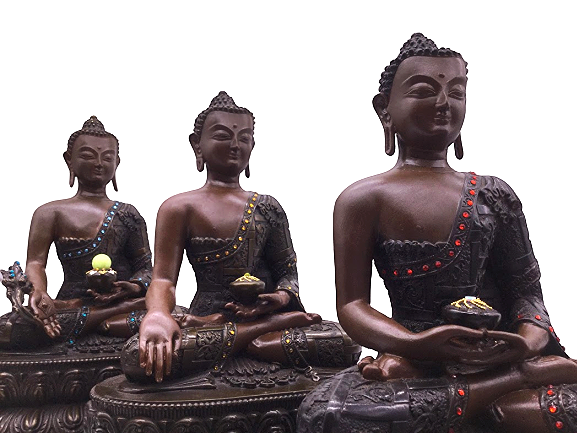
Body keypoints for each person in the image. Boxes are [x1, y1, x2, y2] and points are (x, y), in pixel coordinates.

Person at [297, 33, 577, 433]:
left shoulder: (494, 193)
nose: (444, 103)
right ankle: (514, 383)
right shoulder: (362, 199)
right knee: (329, 414)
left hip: (497, 351)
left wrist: (526, 342)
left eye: (456, 92)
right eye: (425, 91)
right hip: (415, 359)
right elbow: (353, 306)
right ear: (384, 109)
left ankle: (505, 382)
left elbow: (527, 293)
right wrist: (414, 344)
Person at [125, 92, 359, 383]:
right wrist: (158, 314)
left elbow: (288, 274)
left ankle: (250, 335)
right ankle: (254, 339)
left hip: (264, 319)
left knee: (346, 340)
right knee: (136, 357)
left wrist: (278, 298)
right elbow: (162, 279)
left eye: (244, 138)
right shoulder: (179, 207)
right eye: (223, 136)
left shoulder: (268, 207)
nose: (235, 145)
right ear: (197, 144)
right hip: (208, 323)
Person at [0, 116, 152, 349]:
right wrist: (40, 293)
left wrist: (132, 286)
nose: (99, 163)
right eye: (88, 156)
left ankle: (111, 314)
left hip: (123, 303)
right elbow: (36, 263)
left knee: (169, 314)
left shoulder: (128, 214)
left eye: (107, 157)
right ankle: (103, 320)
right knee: (10, 327)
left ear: (117, 163)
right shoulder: (50, 212)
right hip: (70, 306)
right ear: (69, 160)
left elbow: (147, 269)